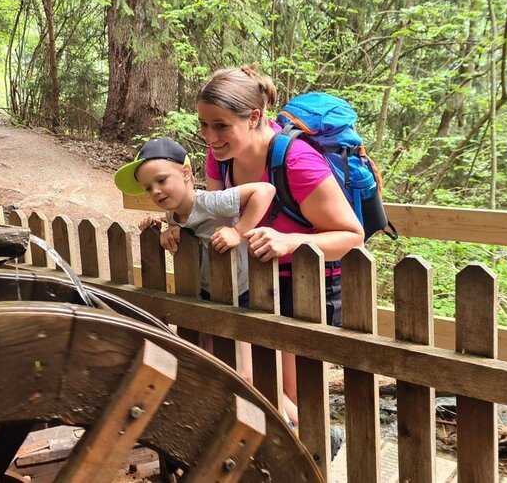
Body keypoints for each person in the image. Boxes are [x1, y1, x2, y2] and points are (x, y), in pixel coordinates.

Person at [162, 65, 363, 446]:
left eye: (220, 125)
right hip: (249, 284)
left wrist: (292, 243)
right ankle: (297, 452)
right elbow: (214, 215)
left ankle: (318, 451)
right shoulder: (219, 158)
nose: (210, 137)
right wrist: (178, 227)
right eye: (204, 125)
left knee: (294, 394)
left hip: (303, 287)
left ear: (254, 117)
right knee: (258, 384)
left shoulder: (297, 162)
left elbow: (352, 236)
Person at [114, 137, 275, 382]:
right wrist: (161, 229)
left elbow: (265, 190)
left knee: (245, 373)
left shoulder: (210, 201)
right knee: (211, 360)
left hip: (241, 293)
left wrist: (238, 231)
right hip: (207, 293)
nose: (155, 191)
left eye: (161, 180)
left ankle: (288, 420)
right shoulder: (173, 212)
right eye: (148, 187)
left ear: (186, 173)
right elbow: (185, 231)